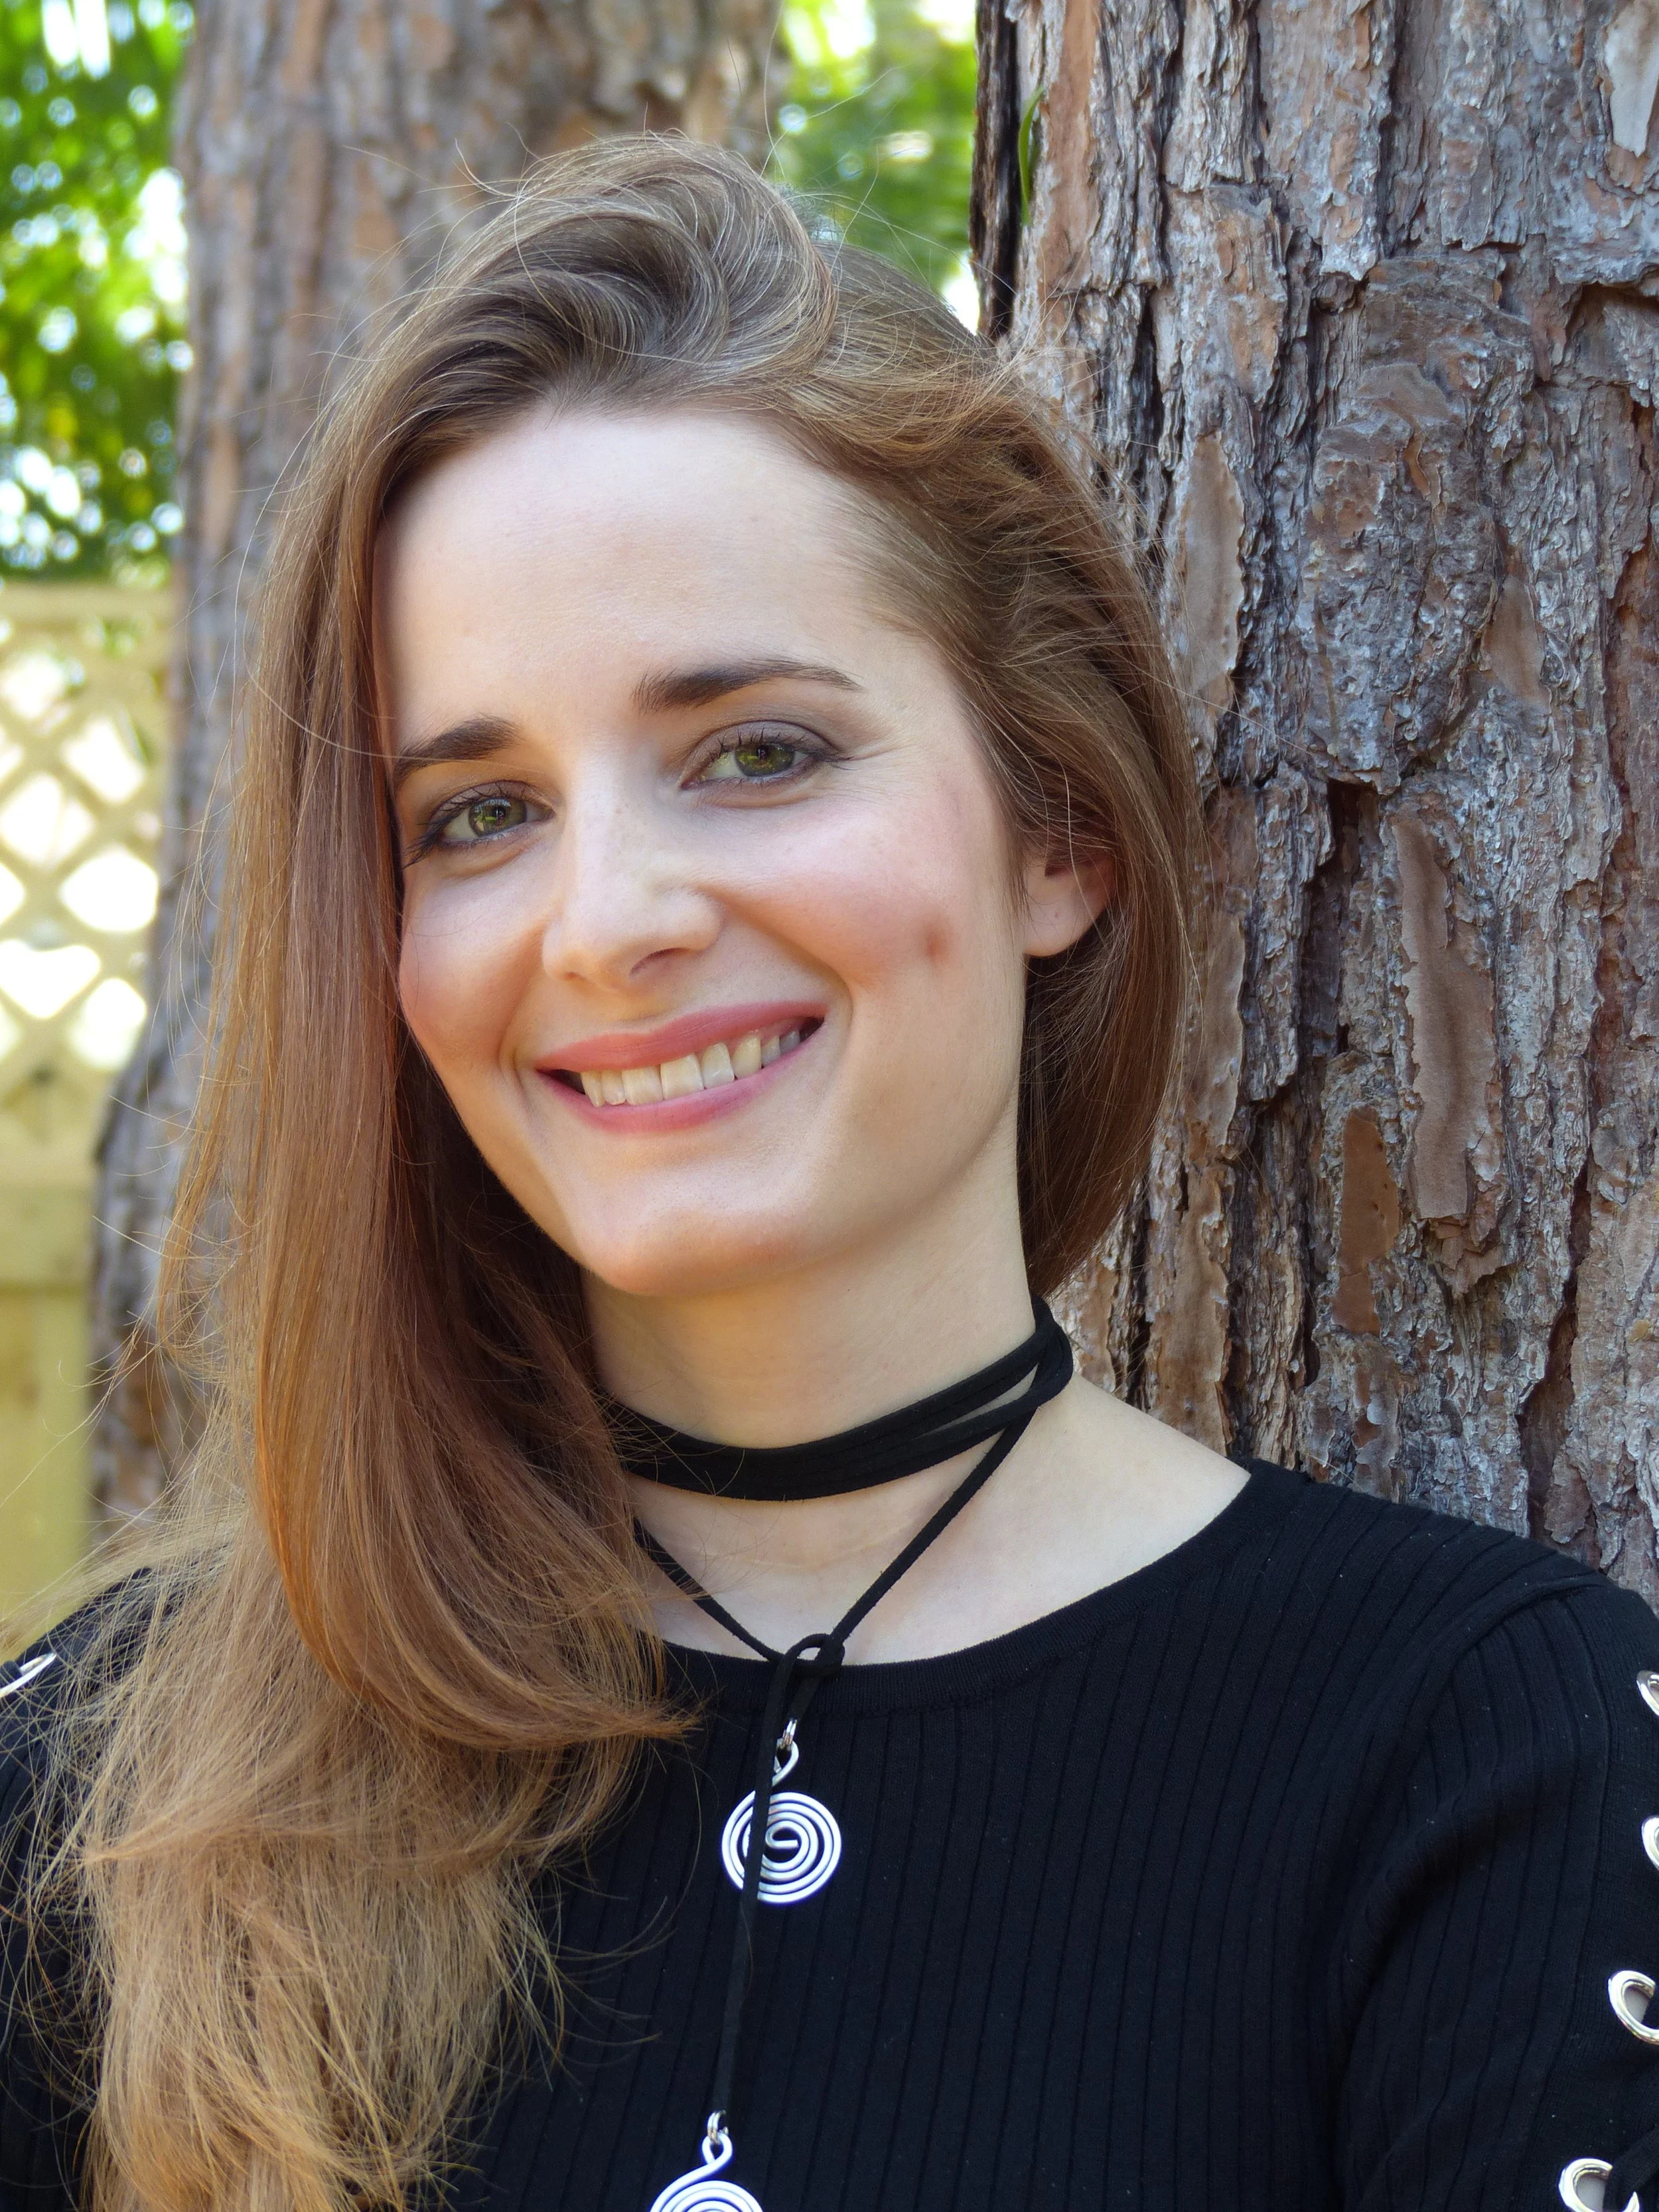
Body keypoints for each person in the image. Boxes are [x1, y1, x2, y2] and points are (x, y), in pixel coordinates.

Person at [2, 137, 1657, 2212]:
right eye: (479, 812)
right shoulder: (93, 1799)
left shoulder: (1483, 1757)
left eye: (758, 751)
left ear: (1059, 826)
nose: (604, 921)